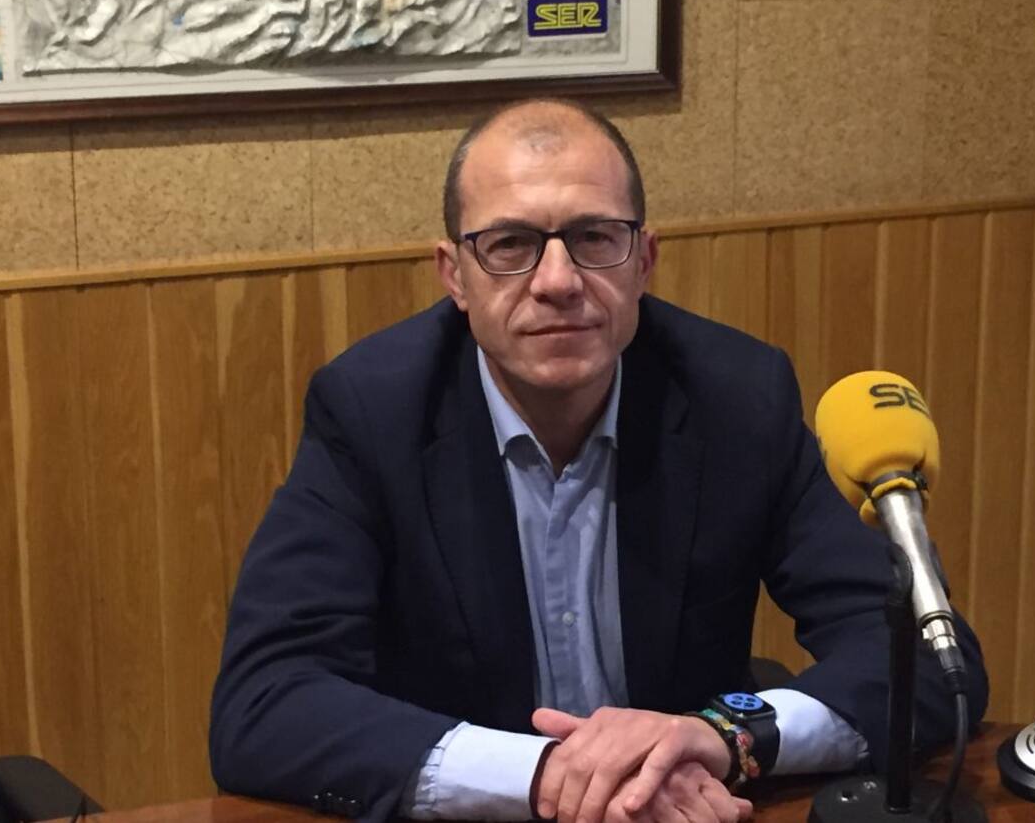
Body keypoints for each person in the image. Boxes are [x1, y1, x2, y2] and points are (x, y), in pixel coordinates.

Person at [209, 99, 987, 823]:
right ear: (455, 276)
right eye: (509, 245)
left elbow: (924, 658)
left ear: (643, 260)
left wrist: (723, 736)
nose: (557, 282)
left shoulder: (737, 397)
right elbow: (265, 701)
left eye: (594, 238)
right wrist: (550, 774)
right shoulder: (373, 411)